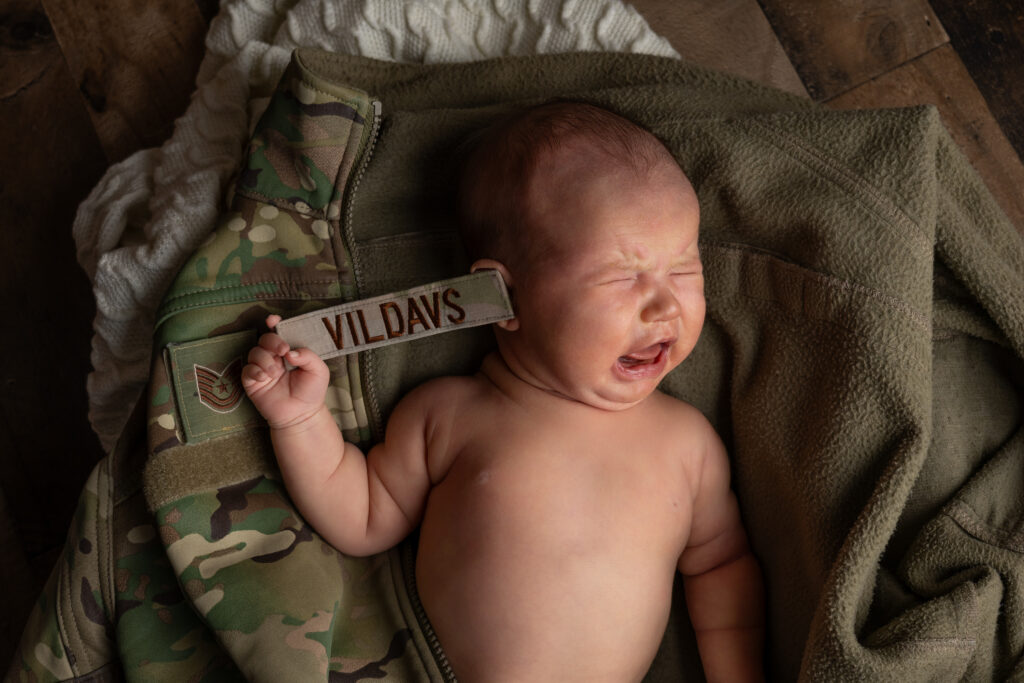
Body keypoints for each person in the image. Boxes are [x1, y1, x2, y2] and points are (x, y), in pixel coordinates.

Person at [242, 101, 765, 682]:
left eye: (685, 270)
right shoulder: (449, 416)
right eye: (622, 277)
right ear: (502, 296)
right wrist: (299, 420)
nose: (665, 305)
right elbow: (361, 516)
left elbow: (721, 566)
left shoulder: (688, 445)